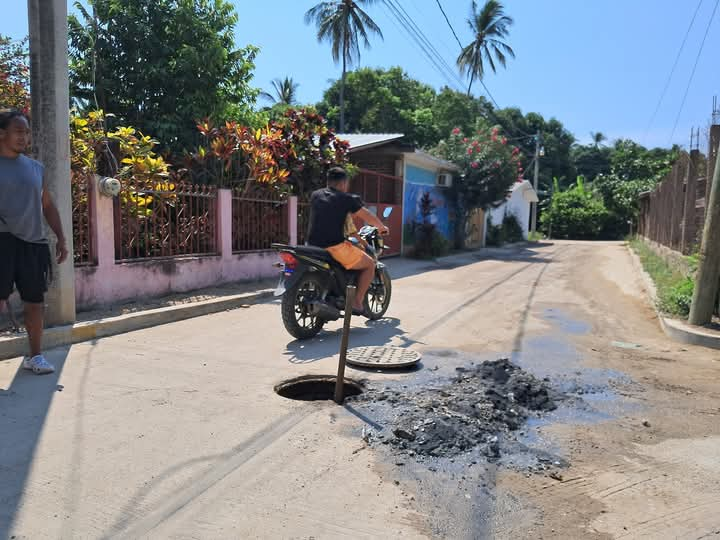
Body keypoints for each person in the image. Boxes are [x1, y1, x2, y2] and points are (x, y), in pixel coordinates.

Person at [0, 109, 69, 374]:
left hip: (33, 244)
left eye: (26, 132)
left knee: (35, 302)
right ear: (2, 133)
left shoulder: (35, 168)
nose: (24, 137)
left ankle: (35, 357)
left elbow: (48, 205)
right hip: (3, 241)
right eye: (18, 131)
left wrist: (61, 238)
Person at [308, 167, 389, 315]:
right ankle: (357, 302)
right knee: (369, 264)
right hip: (335, 247)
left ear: (328, 181)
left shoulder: (315, 195)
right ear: (344, 183)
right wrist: (381, 227)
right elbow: (367, 216)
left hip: (312, 246)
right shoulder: (346, 199)